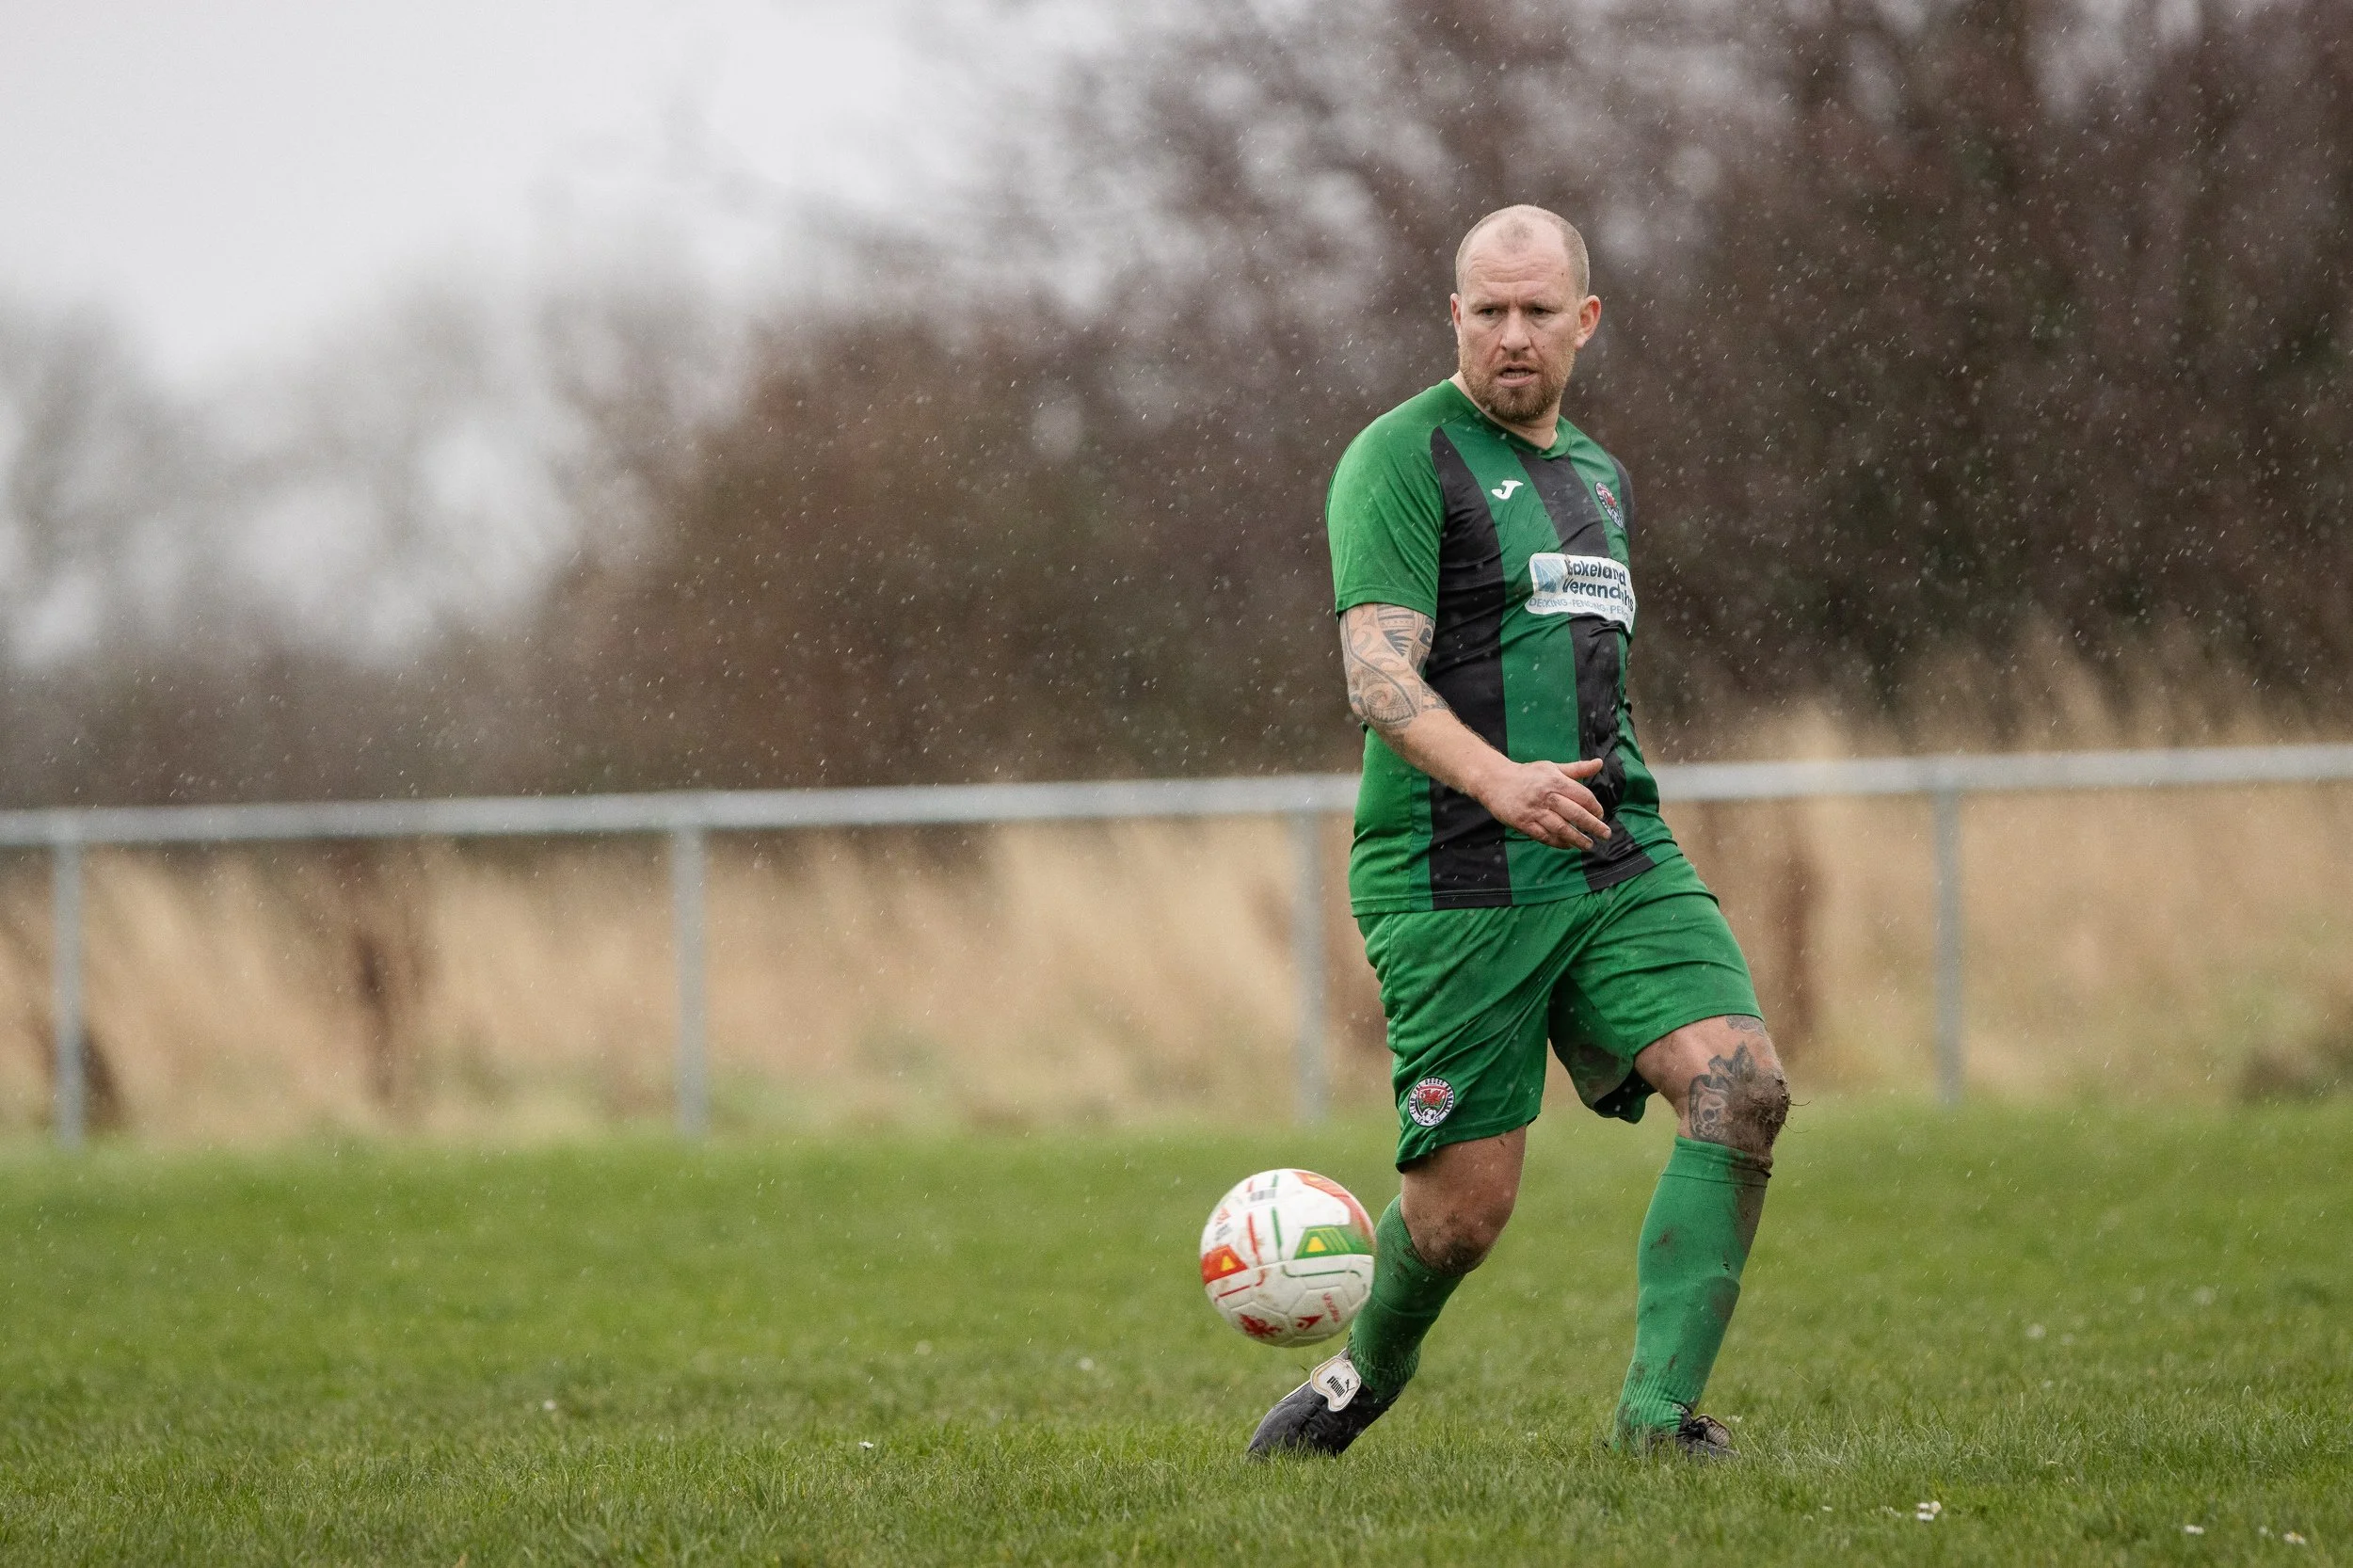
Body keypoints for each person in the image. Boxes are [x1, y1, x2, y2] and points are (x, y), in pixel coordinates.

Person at [1248, 204, 1789, 1461]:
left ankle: (1659, 1424)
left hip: (1610, 848)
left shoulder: (1600, 478)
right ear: (1454, 317)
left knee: (1742, 1089)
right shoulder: (1398, 457)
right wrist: (1496, 779)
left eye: (1537, 310)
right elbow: (1377, 675)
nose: (1510, 333)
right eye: (1486, 310)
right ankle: (1362, 1374)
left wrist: (1578, 795)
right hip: (1456, 868)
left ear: (1584, 321)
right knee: (1461, 1219)